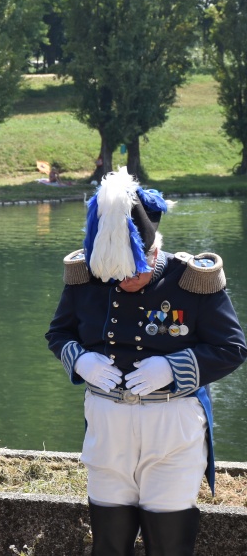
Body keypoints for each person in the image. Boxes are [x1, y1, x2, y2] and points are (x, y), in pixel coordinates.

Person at [46, 167, 246, 556]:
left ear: (153, 252)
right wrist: (80, 360)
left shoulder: (192, 280)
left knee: (169, 542)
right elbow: (59, 333)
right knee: (109, 541)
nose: (122, 282)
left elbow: (231, 348)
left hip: (172, 423)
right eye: (114, 275)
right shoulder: (87, 275)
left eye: (133, 272)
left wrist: (172, 368)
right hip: (107, 423)